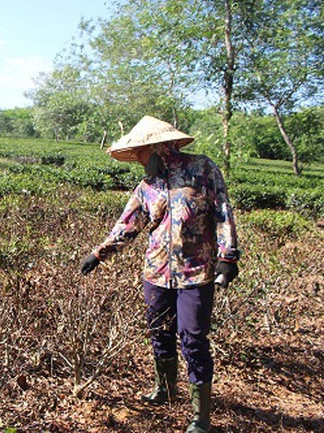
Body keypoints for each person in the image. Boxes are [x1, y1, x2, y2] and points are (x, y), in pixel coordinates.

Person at [80, 116, 240, 433]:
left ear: (157, 147)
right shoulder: (146, 187)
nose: (138, 159)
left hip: (196, 273)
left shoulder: (203, 170)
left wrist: (228, 256)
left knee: (193, 339)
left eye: (140, 151)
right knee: (159, 333)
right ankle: (165, 390)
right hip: (156, 273)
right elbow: (127, 226)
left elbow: (222, 211)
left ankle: (200, 418)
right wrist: (99, 253)